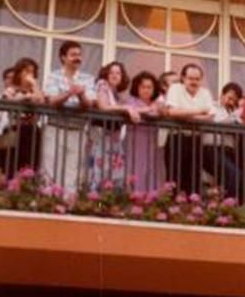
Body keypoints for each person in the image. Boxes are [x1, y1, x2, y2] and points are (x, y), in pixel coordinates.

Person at [41, 41, 95, 192]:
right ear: (63, 57)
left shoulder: (88, 78)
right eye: (73, 55)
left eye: (79, 54)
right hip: (54, 127)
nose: (77, 58)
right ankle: (48, 202)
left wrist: (81, 94)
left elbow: (89, 104)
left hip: (77, 129)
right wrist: (70, 93)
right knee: (50, 167)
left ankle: (69, 203)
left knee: (74, 169)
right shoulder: (53, 76)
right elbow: (51, 100)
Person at [163, 63, 214, 193]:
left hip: (195, 140)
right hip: (176, 138)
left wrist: (184, 115)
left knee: (193, 181)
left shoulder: (205, 93)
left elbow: (210, 117)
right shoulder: (175, 88)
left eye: (197, 79)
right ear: (183, 78)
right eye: (191, 78)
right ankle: (173, 210)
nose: (194, 82)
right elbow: (172, 112)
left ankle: (191, 211)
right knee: (174, 179)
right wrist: (199, 111)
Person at [88, 61, 130, 189]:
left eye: (118, 73)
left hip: (114, 142)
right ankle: (95, 203)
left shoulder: (117, 95)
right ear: (106, 74)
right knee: (98, 173)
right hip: (101, 138)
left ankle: (108, 204)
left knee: (113, 175)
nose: (115, 75)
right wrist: (125, 108)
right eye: (111, 72)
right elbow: (104, 107)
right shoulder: (102, 85)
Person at [121, 72, 165, 193]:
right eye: (143, 87)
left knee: (152, 172)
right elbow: (127, 110)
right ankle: (133, 198)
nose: (146, 90)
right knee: (135, 169)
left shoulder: (158, 103)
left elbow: (163, 112)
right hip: (134, 141)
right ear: (137, 88)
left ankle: (150, 202)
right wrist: (148, 109)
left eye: (149, 87)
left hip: (152, 142)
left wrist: (155, 108)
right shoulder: (131, 101)